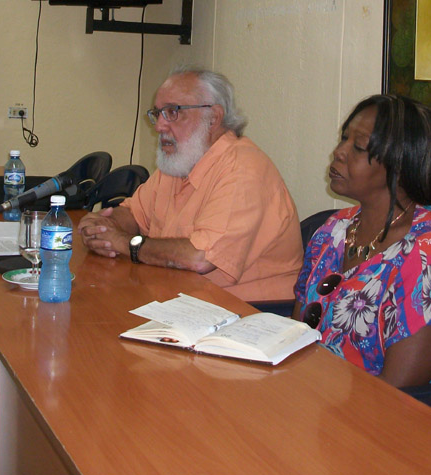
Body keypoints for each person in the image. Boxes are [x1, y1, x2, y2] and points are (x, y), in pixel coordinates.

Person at [79, 66, 302, 303]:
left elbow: (199, 258)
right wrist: (103, 228)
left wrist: (125, 243)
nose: (159, 126)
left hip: (248, 315)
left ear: (214, 118)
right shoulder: (178, 161)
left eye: (173, 112)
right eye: (157, 113)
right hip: (184, 301)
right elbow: (134, 214)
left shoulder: (243, 169)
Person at [294, 93, 431, 388]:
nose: (339, 152)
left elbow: (397, 392)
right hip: (320, 398)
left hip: (406, 422)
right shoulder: (334, 229)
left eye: (359, 146)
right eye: (344, 138)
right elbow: (295, 336)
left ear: (401, 167)